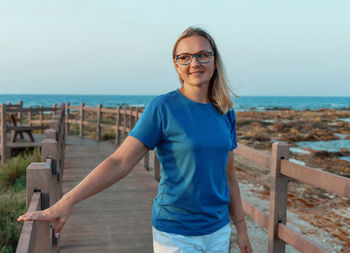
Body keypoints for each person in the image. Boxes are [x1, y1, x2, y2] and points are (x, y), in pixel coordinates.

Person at [18, 26, 252, 253]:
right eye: (185, 57)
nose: (195, 63)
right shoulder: (162, 109)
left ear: (214, 60)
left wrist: (241, 228)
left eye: (202, 55)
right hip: (176, 233)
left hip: (219, 231)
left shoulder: (225, 111)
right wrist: (66, 202)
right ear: (176, 65)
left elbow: (228, 175)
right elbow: (120, 162)